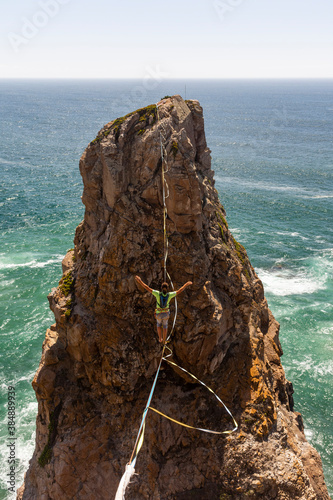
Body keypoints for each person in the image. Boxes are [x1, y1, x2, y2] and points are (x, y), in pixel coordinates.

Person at [135, 276, 192, 344]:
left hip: (159, 313)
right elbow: (180, 290)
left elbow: (147, 288)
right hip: (166, 313)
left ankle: (160, 339)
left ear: (161, 288)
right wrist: (186, 284)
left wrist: (140, 281)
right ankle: (164, 340)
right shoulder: (170, 295)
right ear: (167, 289)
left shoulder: (157, 293)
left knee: (158, 325)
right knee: (165, 327)